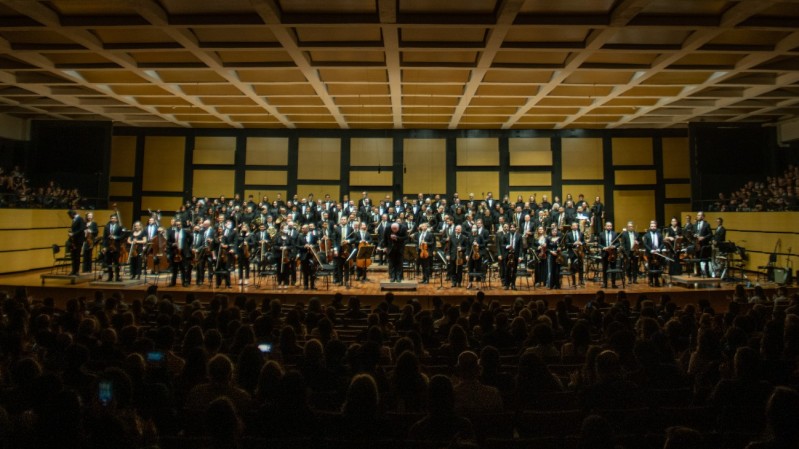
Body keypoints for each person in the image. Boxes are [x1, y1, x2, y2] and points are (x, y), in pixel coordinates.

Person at [167, 219, 192, 287]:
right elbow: (168, 241)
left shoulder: (185, 232)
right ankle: (173, 282)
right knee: (174, 269)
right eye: (177, 224)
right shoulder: (171, 232)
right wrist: (172, 244)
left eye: (179, 224)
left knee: (183, 268)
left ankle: (184, 282)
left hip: (182, 252)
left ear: (181, 225)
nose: (178, 226)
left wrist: (187, 246)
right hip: (174, 252)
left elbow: (191, 239)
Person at [642, 220, 664, 287]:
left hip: (657, 253)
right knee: (650, 267)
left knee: (657, 267)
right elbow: (645, 244)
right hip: (650, 253)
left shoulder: (660, 234)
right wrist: (650, 250)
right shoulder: (646, 235)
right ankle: (651, 281)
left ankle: (657, 281)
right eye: (652, 226)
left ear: (656, 227)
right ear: (650, 227)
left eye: (654, 226)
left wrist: (659, 249)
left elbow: (662, 243)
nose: (653, 227)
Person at [598, 221, 620, 288]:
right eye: (608, 226)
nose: (609, 227)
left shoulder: (615, 234)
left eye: (610, 226)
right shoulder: (601, 234)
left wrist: (614, 246)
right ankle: (605, 283)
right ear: (605, 227)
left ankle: (613, 283)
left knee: (613, 268)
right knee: (604, 268)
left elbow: (618, 243)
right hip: (605, 253)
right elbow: (599, 244)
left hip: (612, 253)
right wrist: (603, 247)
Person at [102, 213, 123, 282]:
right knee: (109, 262)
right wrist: (104, 247)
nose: (113, 220)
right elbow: (104, 237)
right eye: (111, 218)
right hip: (108, 246)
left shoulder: (119, 226)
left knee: (116, 262)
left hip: (116, 247)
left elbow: (122, 236)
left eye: (114, 218)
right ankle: (110, 277)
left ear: (116, 219)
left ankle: (117, 277)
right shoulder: (107, 227)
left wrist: (115, 237)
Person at [565, 221, 585, 286]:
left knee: (581, 267)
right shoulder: (568, 234)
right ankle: (573, 282)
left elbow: (584, 242)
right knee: (573, 267)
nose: (575, 227)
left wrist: (581, 243)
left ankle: (581, 280)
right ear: (571, 227)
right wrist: (574, 243)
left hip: (580, 252)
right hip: (572, 252)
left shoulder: (581, 233)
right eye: (573, 226)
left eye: (576, 226)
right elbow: (567, 244)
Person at [298, 224, 317, 290]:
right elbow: (297, 246)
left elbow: (317, 245)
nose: (302, 229)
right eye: (302, 228)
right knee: (305, 271)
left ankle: (312, 286)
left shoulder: (313, 236)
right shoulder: (300, 236)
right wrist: (304, 246)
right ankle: (305, 285)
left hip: (312, 255)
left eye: (303, 228)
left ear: (307, 229)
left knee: (312, 271)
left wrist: (313, 246)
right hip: (304, 256)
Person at [67, 209, 85, 276]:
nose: (69, 217)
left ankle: (76, 271)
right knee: (73, 256)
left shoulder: (80, 219)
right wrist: (71, 232)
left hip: (79, 240)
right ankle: (73, 270)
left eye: (69, 216)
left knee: (77, 256)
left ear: (72, 214)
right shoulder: (74, 220)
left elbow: (81, 229)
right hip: (74, 241)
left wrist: (73, 234)